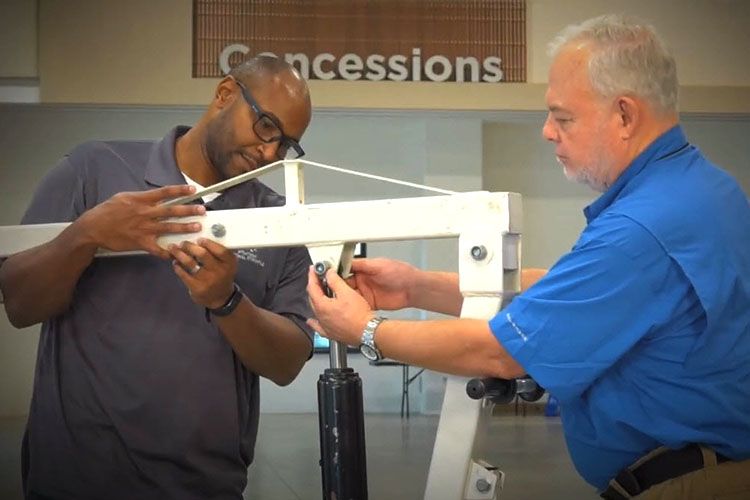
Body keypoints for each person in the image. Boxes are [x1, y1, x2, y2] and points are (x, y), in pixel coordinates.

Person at [307, 15, 750, 500]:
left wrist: (366, 330)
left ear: (625, 115)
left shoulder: (640, 229)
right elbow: (571, 293)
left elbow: (499, 353)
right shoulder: (704, 191)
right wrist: (415, 286)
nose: (546, 132)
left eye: (563, 118)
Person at [0, 56, 315, 500]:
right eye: (266, 126)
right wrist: (86, 235)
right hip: (74, 476)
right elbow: (18, 302)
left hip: (202, 484)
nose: (269, 152)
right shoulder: (93, 171)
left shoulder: (278, 222)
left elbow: (286, 363)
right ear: (225, 94)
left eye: (285, 144)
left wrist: (227, 301)